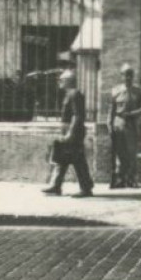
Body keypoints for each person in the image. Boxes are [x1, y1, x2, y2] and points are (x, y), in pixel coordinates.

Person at [43, 70, 93, 198]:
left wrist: (70, 133)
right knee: (62, 158)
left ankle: (86, 188)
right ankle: (56, 186)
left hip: (74, 133)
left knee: (77, 159)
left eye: (61, 80)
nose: (59, 82)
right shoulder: (69, 94)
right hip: (69, 131)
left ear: (68, 81)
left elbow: (77, 116)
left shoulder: (75, 94)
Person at [107, 63, 141, 188]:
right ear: (121, 76)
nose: (128, 77)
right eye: (125, 75)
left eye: (130, 75)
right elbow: (111, 110)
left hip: (132, 124)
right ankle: (120, 179)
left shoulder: (138, 91)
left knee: (132, 152)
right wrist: (109, 125)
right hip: (118, 123)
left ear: (133, 76)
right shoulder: (115, 91)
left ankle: (132, 179)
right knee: (120, 153)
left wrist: (132, 114)